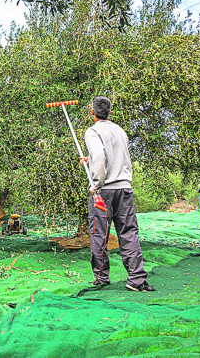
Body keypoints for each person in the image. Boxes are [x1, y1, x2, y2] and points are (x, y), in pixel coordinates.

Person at [80, 96, 155, 292]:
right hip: (124, 189)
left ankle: (101, 277)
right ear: (110, 112)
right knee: (129, 233)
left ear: (92, 111)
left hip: (103, 191)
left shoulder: (93, 131)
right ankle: (136, 279)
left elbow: (101, 156)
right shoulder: (120, 131)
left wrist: (96, 183)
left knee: (99, 234)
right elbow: (114, 157)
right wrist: (89, 160)